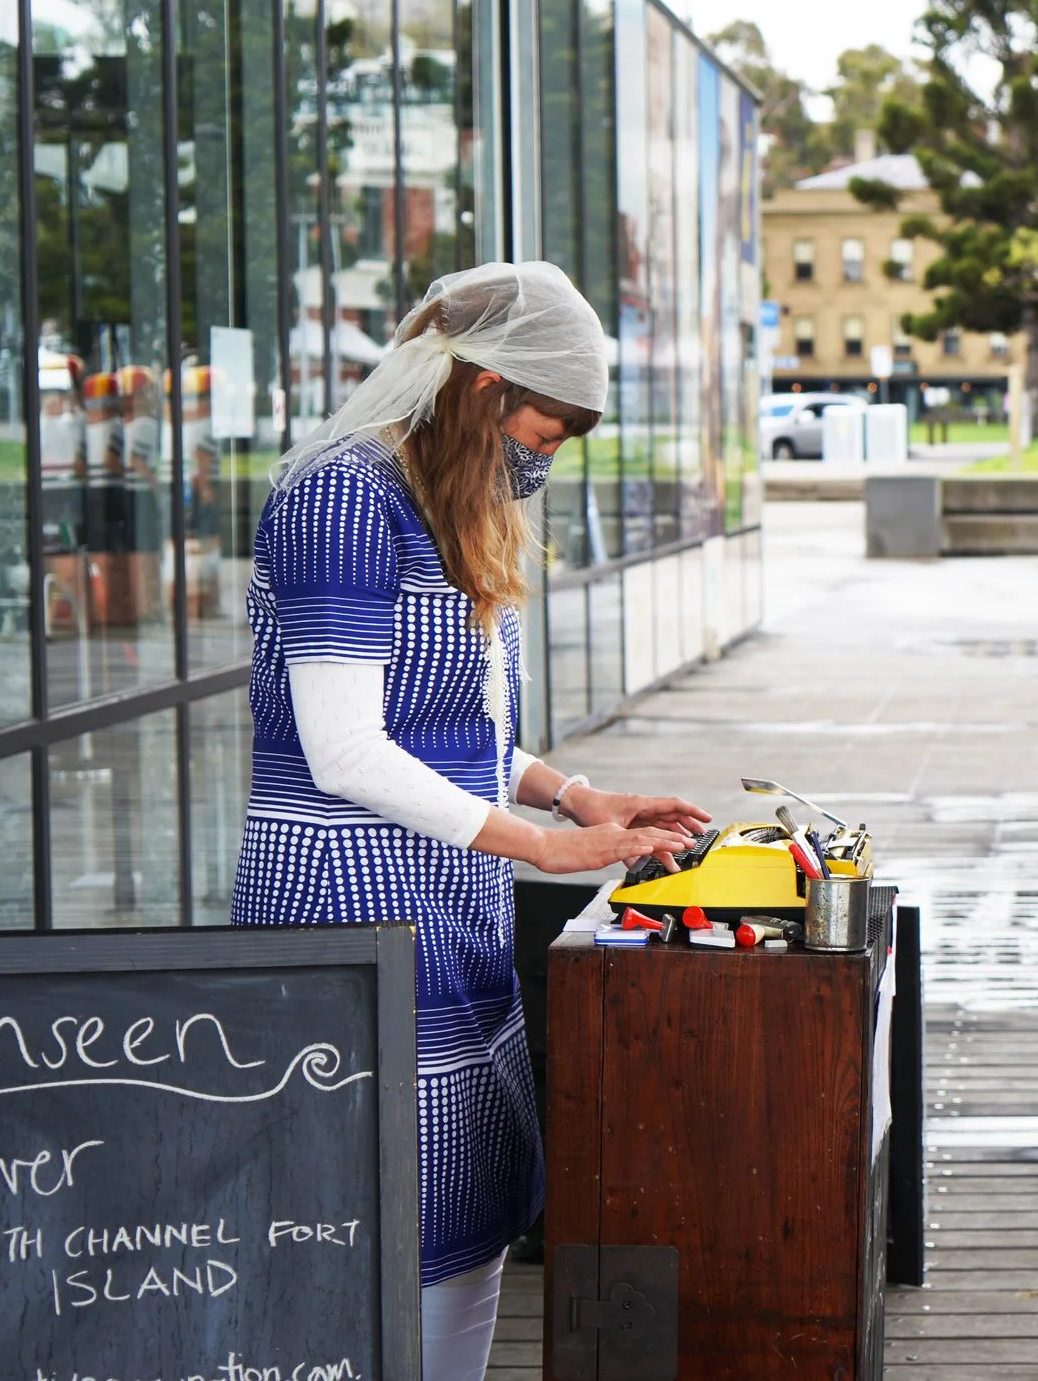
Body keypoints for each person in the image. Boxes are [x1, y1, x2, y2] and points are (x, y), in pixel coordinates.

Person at [232, 262, 707, 1381]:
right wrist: (542, 846)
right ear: (484, 388)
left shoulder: (440, 498)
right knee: (370, 1214)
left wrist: (573, 795)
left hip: (452, 907)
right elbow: (346, 750)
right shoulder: (340, 499)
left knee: (467, 1204)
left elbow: (449, 728)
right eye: (546, 431)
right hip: (349, 911)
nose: (548, 459)